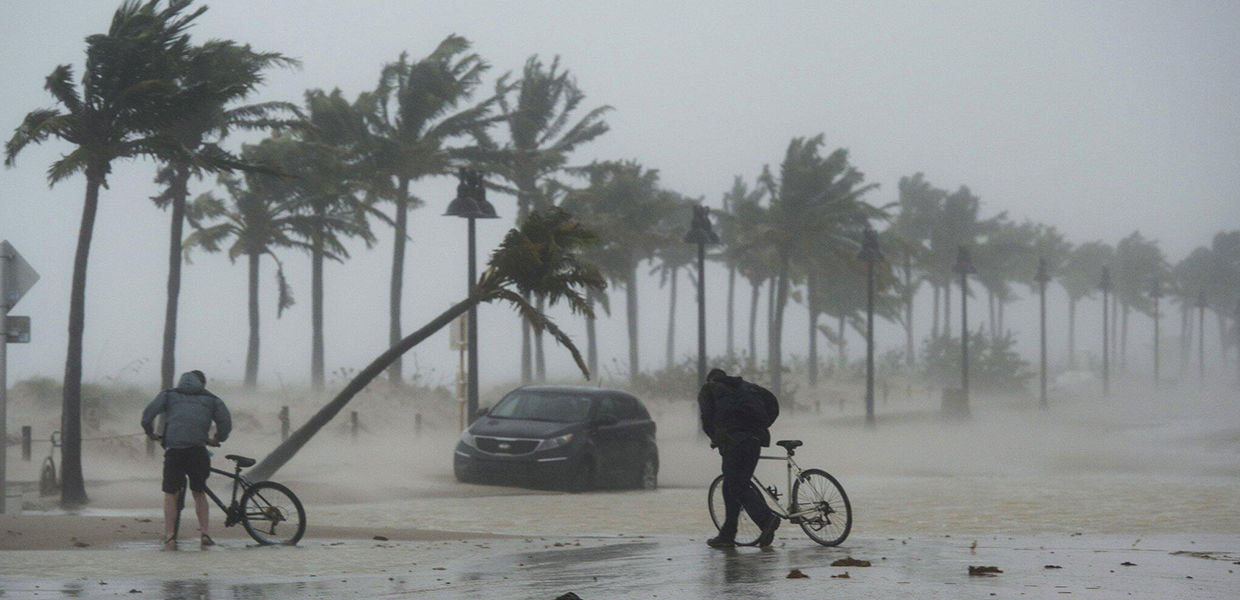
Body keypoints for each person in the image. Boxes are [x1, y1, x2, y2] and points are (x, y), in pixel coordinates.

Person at [141, 370, 231, 548]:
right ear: (203, 384)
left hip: (174, 451)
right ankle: (205, 533)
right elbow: (225, 422)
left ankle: (169, 536)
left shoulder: (168, 395)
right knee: (199, 492)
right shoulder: (212, 399)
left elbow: (148, 415)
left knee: (170, 494)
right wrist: (218, 438)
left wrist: (150, 432)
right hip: (197, 450)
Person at [698, 367, 780, 548]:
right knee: (732, 484)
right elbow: (772, 403)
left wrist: (716, 438)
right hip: (756, 438)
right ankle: (728, 533)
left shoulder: (709, 389)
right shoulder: (748, 386)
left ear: (710, 379)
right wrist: (762, 425)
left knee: (737, 484)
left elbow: (706, 419)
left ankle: (766, 519)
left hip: (734, 439)